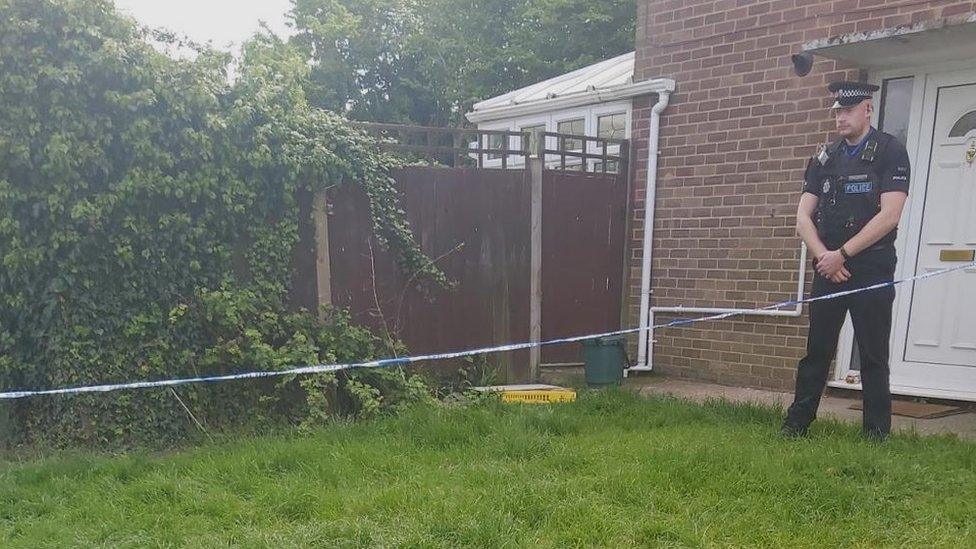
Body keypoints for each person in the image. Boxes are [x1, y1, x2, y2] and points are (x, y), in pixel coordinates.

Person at [782, 81, 911, 441]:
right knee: (816, 352)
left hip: (871, 265)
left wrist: (843, 254)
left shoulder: (890, 151)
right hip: (828, 268)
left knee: (872, 353)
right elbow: (802, 217)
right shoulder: (825, 157)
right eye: (837, 111)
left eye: (848, 110)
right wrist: (825, 256)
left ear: (867, 109)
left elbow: (890, 215)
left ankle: (875, 434)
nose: (840, 117)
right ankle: (796, 426)